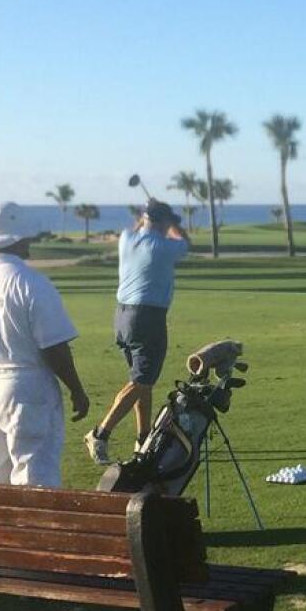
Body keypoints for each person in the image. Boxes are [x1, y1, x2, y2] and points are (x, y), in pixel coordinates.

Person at [0, 200, 89, 486]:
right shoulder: (32, 283)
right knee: (34, 476)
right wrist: (76, 390)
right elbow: (54, 348)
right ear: (20, 237)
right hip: (25, 386)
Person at [84, 198, 189, 464]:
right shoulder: (164, 247)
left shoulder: (126, 238)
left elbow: (139, 225)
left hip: (122, 317)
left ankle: (143, 441)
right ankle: (100, 433)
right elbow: (185, 243)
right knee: (141, 381)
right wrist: (175, 224)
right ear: (164, 222)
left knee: (143, 381)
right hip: (148, 319)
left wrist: (149, 214)